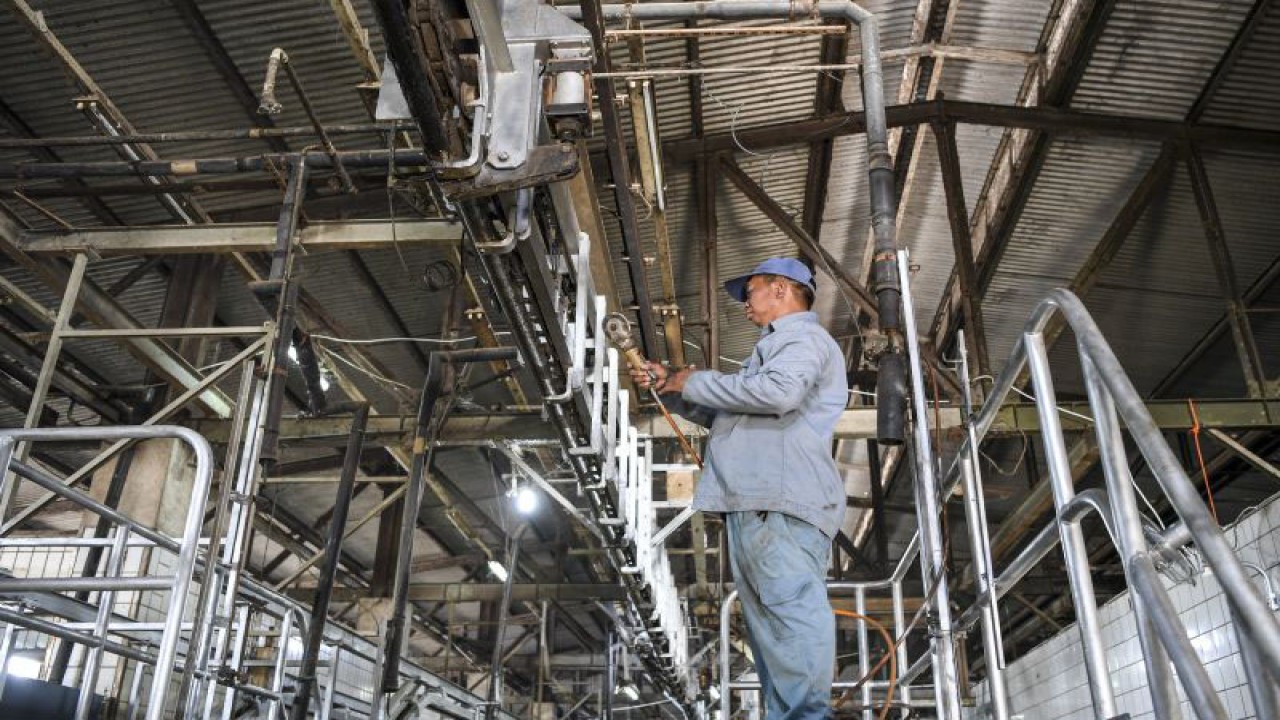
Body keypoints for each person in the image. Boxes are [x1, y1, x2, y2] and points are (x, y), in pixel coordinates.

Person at [630, 257, 847, 720]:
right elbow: (732, 410)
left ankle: (808, 716)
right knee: (769, 629)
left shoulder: (802, 339)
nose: (744, 304)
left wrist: (698, 379)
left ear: (782, 290)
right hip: (759, 502)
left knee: (787, 615)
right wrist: (672, 386)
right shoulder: (771, 351)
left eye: (749, 292)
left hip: (779, 502)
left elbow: (778, 395)